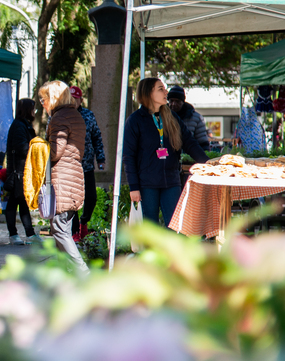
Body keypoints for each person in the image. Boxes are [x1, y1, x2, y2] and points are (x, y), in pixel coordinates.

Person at [124, 78, 209, 227]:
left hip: (171, 181)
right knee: (152, 229)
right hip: (147, 183)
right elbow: (129, 156)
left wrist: (208, 164)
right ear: (149, 93)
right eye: (160, 89)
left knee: (175, 225)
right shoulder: (135, 120)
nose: (166, 92)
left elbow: (189, 142)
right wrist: (134, 187)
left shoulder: (171, 116)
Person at [38, 81, 88, 273]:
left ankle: (82, 273)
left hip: (62, 178)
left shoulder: (59, 118)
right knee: (63, 228)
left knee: (59, 228)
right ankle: (71, 275)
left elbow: (56, 152)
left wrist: (40, 151)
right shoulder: (76, 115)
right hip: (73, 176)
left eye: (44, 99)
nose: (42, 103)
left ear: (54, 98)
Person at [69, 86, 105, 241]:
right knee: (72, 201)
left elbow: (96, 137)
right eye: (70, 99)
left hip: (87, 165)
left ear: (80, 100)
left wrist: (101, 158)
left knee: (91, 197)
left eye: (75, 99)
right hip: (69, 166)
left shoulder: (88, 115)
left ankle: (84, 223)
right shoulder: (61, 116)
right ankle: (74, 231)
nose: (73, 102)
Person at [5, 98, 39, 246]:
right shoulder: (19, 126)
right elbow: (21, 147)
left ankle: (29, 234)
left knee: (22, 202)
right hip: (18, 170)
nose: (35, 112)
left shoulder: (23, 125)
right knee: (14, 202)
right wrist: (36, 148)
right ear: (27, 110)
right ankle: (14, 234)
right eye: (33, 109)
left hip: (21, 169)